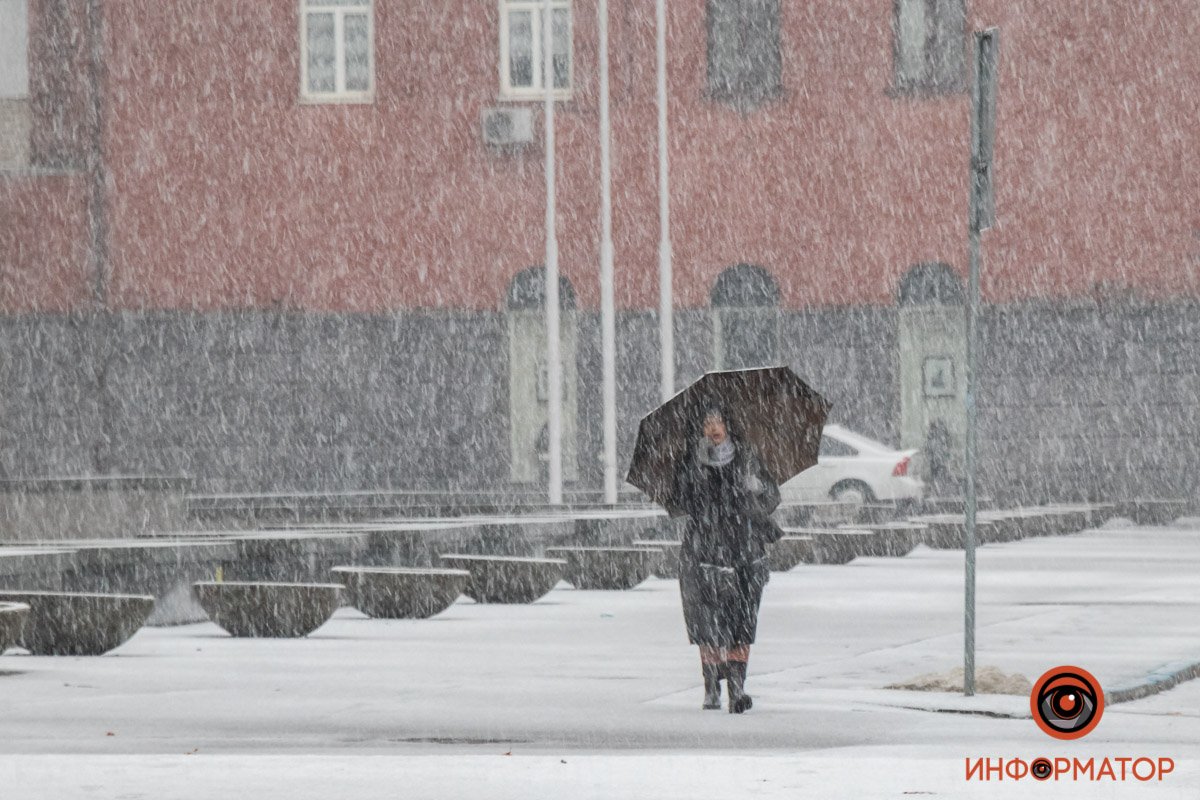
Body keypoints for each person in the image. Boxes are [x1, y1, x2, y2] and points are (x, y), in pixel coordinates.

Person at [671, 404, 783, 713]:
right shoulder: (691, 460)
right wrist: (695, 485)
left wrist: (756, 488)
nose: (713, 427)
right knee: (707, 620)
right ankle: (711, 688)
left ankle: (737, 688)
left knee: (742, 619)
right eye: (707, 422)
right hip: (704, 548)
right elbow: (680, 501)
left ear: (729, 424)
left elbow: (772, 496)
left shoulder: (747, 457)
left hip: (744, 548)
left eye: (718, 420)